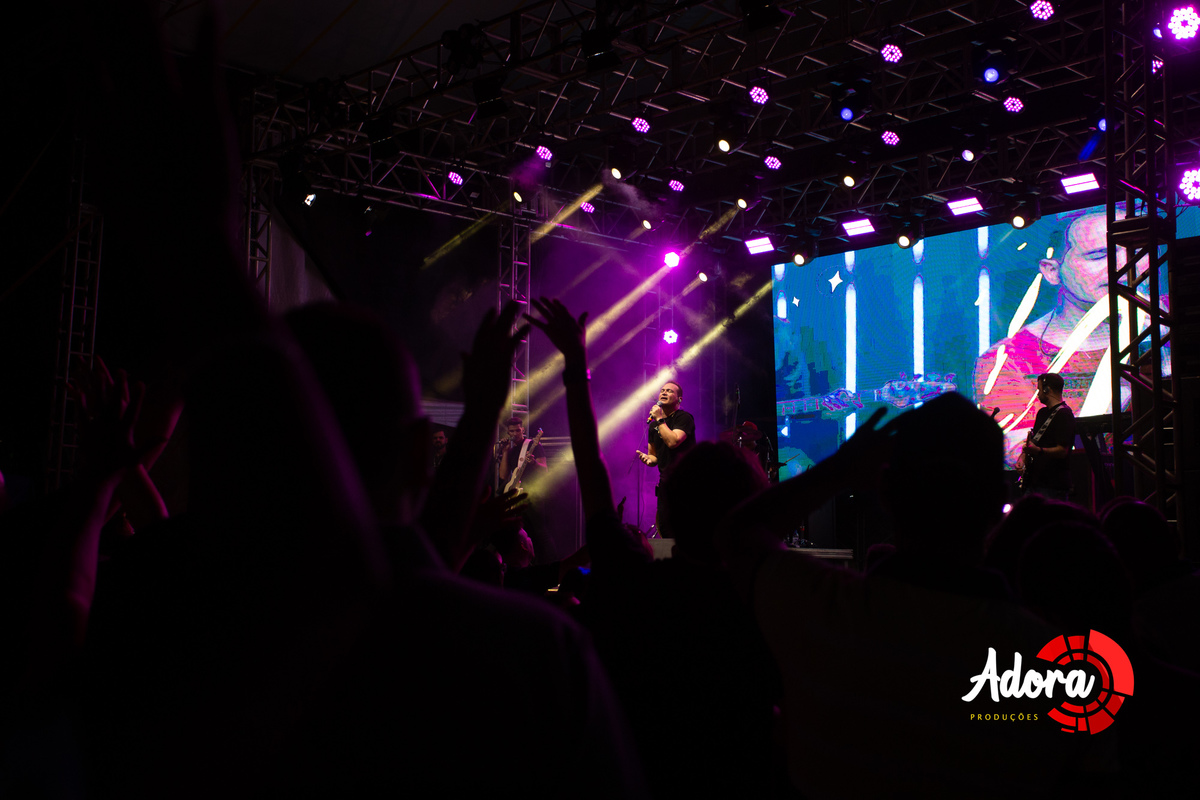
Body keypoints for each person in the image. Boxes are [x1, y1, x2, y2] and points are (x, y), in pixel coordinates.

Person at [973, 209, 1125, 467]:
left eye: (1135, 251)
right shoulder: (1008, 360)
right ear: (1052, 271)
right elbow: (1024, 457)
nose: (1124, 264)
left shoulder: (1167, 326)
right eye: (1100, 255)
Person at [635, 380, 696, 532]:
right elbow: (654, 456)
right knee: (664, 525)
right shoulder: (654, 425)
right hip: (665, 482)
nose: (664, 392)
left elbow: (673, 441)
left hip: (685, 481)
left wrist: (659, 420)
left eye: (669, 391)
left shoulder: (684, 418)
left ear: (679, 399)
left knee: (684, 526)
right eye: (662, 390)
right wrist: (648, 460)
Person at [1020, 373, 1075, 501]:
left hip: (1053, 484)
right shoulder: (1042, 413)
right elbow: (1035, 441)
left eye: (1039, 389)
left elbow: (1063, 451)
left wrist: (1038, 451)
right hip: (1035, 481)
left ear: (1047, 389)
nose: (1038, 394)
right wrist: (1022, 457)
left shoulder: (1064, 415)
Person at [497, 416, 545, 491]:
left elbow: (544, 470)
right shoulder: (510, 451)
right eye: (512, 431)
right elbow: (503, 476)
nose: (515, 434)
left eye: (518, 430)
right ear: (508, 433)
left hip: (533, 489)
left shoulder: (533, 445)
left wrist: (533, 462)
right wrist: (505, 452)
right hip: (517, 491)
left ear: (523, 430)